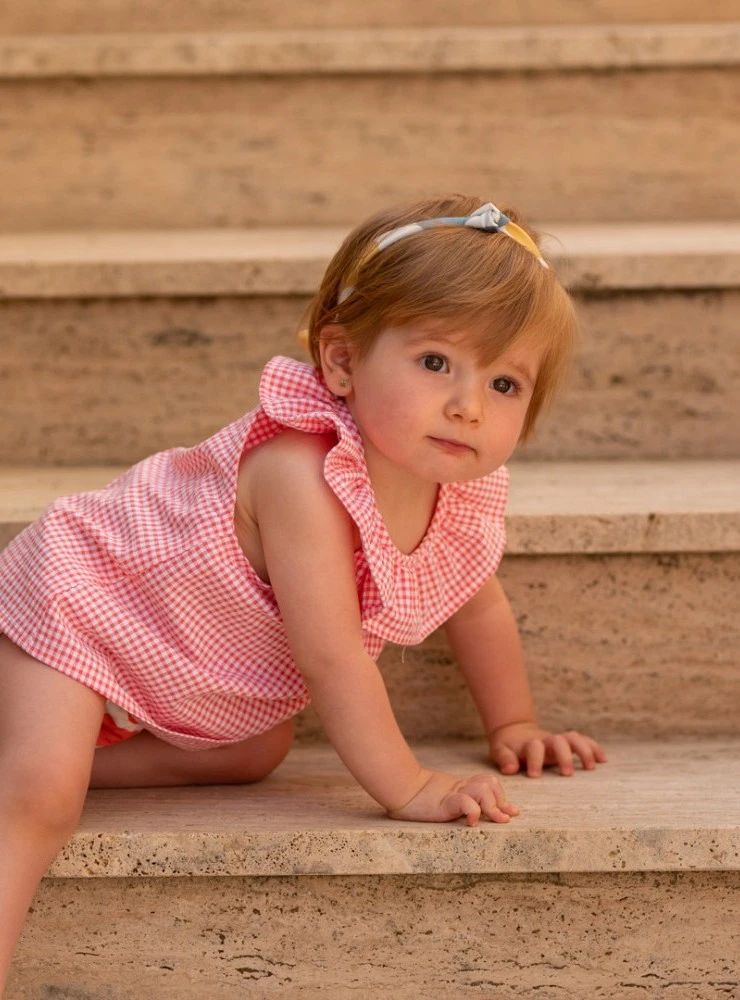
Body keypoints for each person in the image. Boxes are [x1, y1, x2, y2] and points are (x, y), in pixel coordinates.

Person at [0, 194, 606, 989]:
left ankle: (40, 750)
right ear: (343, 363)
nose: (467, 404)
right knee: (43, 798)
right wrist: (408, 784)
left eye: (505, 383)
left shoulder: (453, 492)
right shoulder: (302, 473)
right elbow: (329, 657)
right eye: (435, 363)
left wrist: (514, 721)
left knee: (258, 748)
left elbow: (478, 602)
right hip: (87, 606)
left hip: (181, 658)